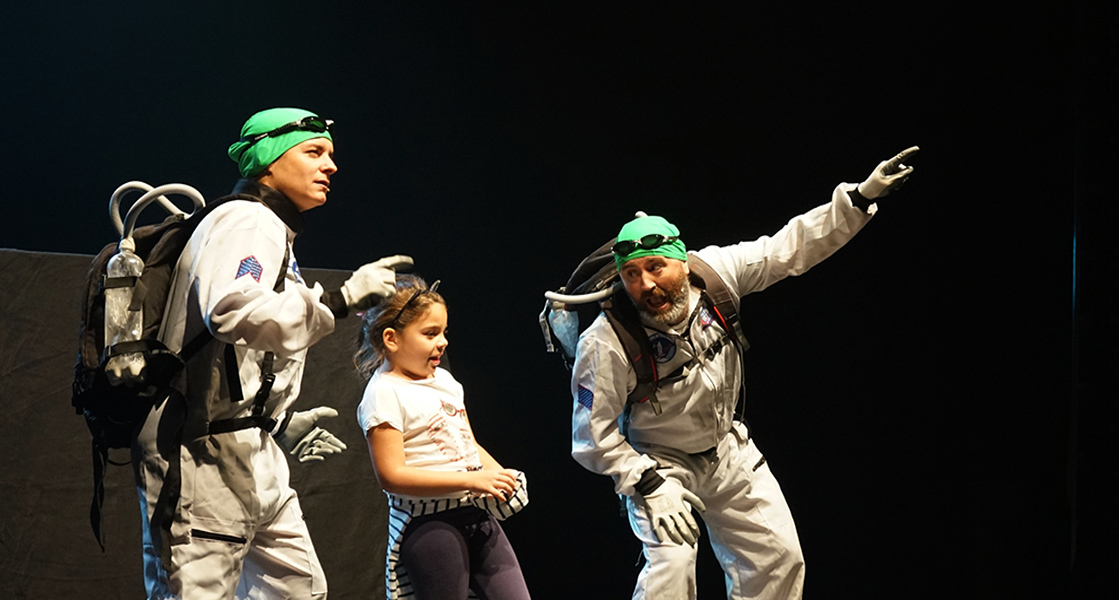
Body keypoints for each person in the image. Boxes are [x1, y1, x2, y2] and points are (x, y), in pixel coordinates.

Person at [570, 147, 919, 600]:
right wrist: (644, 480)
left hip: (728, 451)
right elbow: (591, 437)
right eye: (632, 274)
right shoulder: (606, 339)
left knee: (779, 560)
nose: (646, 285)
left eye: (655, 267)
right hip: (659, 464)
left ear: (681, 258)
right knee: (671, 570)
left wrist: (857, 198)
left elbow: (788, 247)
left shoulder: (716, 275)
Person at [132, 107, 412, 599]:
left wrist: (274, 422)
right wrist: (342, 300)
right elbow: (233, 311)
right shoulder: (249, 220)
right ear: (268, 160)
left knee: (298, 589)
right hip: (201, 456)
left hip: (246, 453)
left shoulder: (268, 228)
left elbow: (241, 352)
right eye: (313, 152)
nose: (331, 165)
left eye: (330, 154)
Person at [355, 275, 531, 600]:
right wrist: (472, 482)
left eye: (444, 332)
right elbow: (391, 475)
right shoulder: (384, 393)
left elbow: (467, 442)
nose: (443, 342)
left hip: (475, 512)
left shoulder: (445, 381)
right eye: (430, 333)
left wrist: (498, 475)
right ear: (391, 339)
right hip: (430, 524)